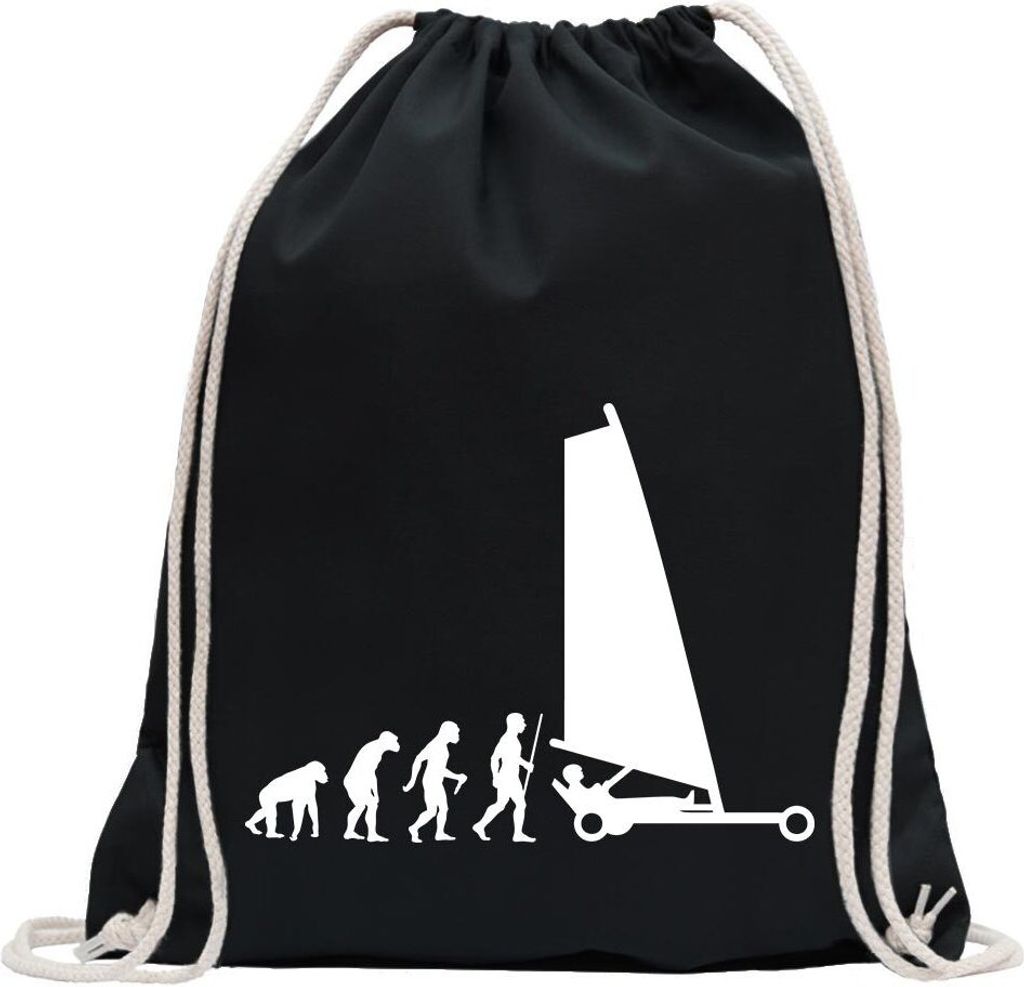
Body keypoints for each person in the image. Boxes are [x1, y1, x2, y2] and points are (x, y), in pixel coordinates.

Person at [472, 713, 536, 842]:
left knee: (501, 804)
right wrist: (495, 776)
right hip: (508, 777)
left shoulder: (511, 738)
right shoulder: (508, 739)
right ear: (515, 724)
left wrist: (524, 765)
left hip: (509, 776)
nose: (524, 725)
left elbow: (507, 757)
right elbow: (497, 758)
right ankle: (517, 834)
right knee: (520, 804)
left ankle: (480, 825)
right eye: (522, 722)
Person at [403, 721, 467, 842]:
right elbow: (439, 770)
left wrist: (412, 781)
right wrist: (457, 776)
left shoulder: (437, 744)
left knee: (435, 810)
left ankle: (430, 831)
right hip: (432, 781)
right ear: (448, 732)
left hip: (432, 780)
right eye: (456, 732)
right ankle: (421, 829)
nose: (458, 735)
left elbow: (418, 759)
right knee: (438, 809)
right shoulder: (438, 747)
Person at [343, 730, 400, 842]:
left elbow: (370, 773)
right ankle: (371, 835)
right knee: (371, 804)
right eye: (395, 741)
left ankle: (349, 832)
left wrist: (375, 793)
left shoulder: (376, 748)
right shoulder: (374, 750)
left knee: (360, 806)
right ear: (386, 741)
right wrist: (375, 794)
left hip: (355, 780)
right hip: (356, 781)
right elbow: (369, 774)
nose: (397, 744)